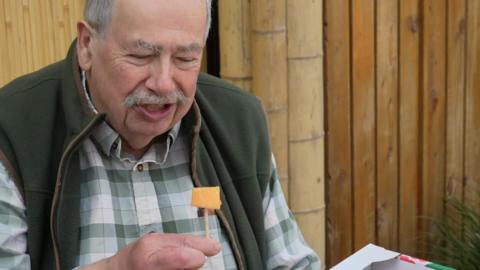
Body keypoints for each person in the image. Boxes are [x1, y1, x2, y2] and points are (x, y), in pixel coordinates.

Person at [0, 0, 321, 269]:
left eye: (186, 58)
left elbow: (292, 264)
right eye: (141, 56)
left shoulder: (237, 121)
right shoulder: (14, 129)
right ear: (87, 45)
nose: (164, 84)